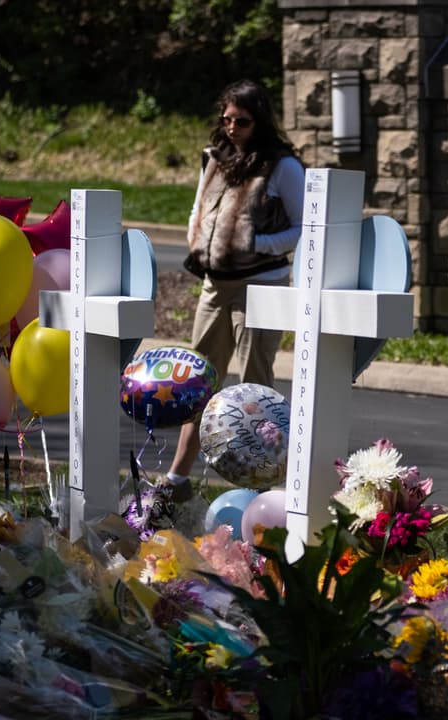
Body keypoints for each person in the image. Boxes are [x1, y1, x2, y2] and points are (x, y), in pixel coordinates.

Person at [166, 80, 305, 494]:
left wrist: (253, 244)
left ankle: (261, 485)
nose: (231, 128)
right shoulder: (216, 159)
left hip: (262, 284)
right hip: (216, 283)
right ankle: (177, 478)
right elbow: (198, 207)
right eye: (226, 120)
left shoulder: (283, 167)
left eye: (241, 121)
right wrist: (196, 237)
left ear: (259, 121)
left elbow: (302, 230)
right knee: (198, 381)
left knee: (255, 387)